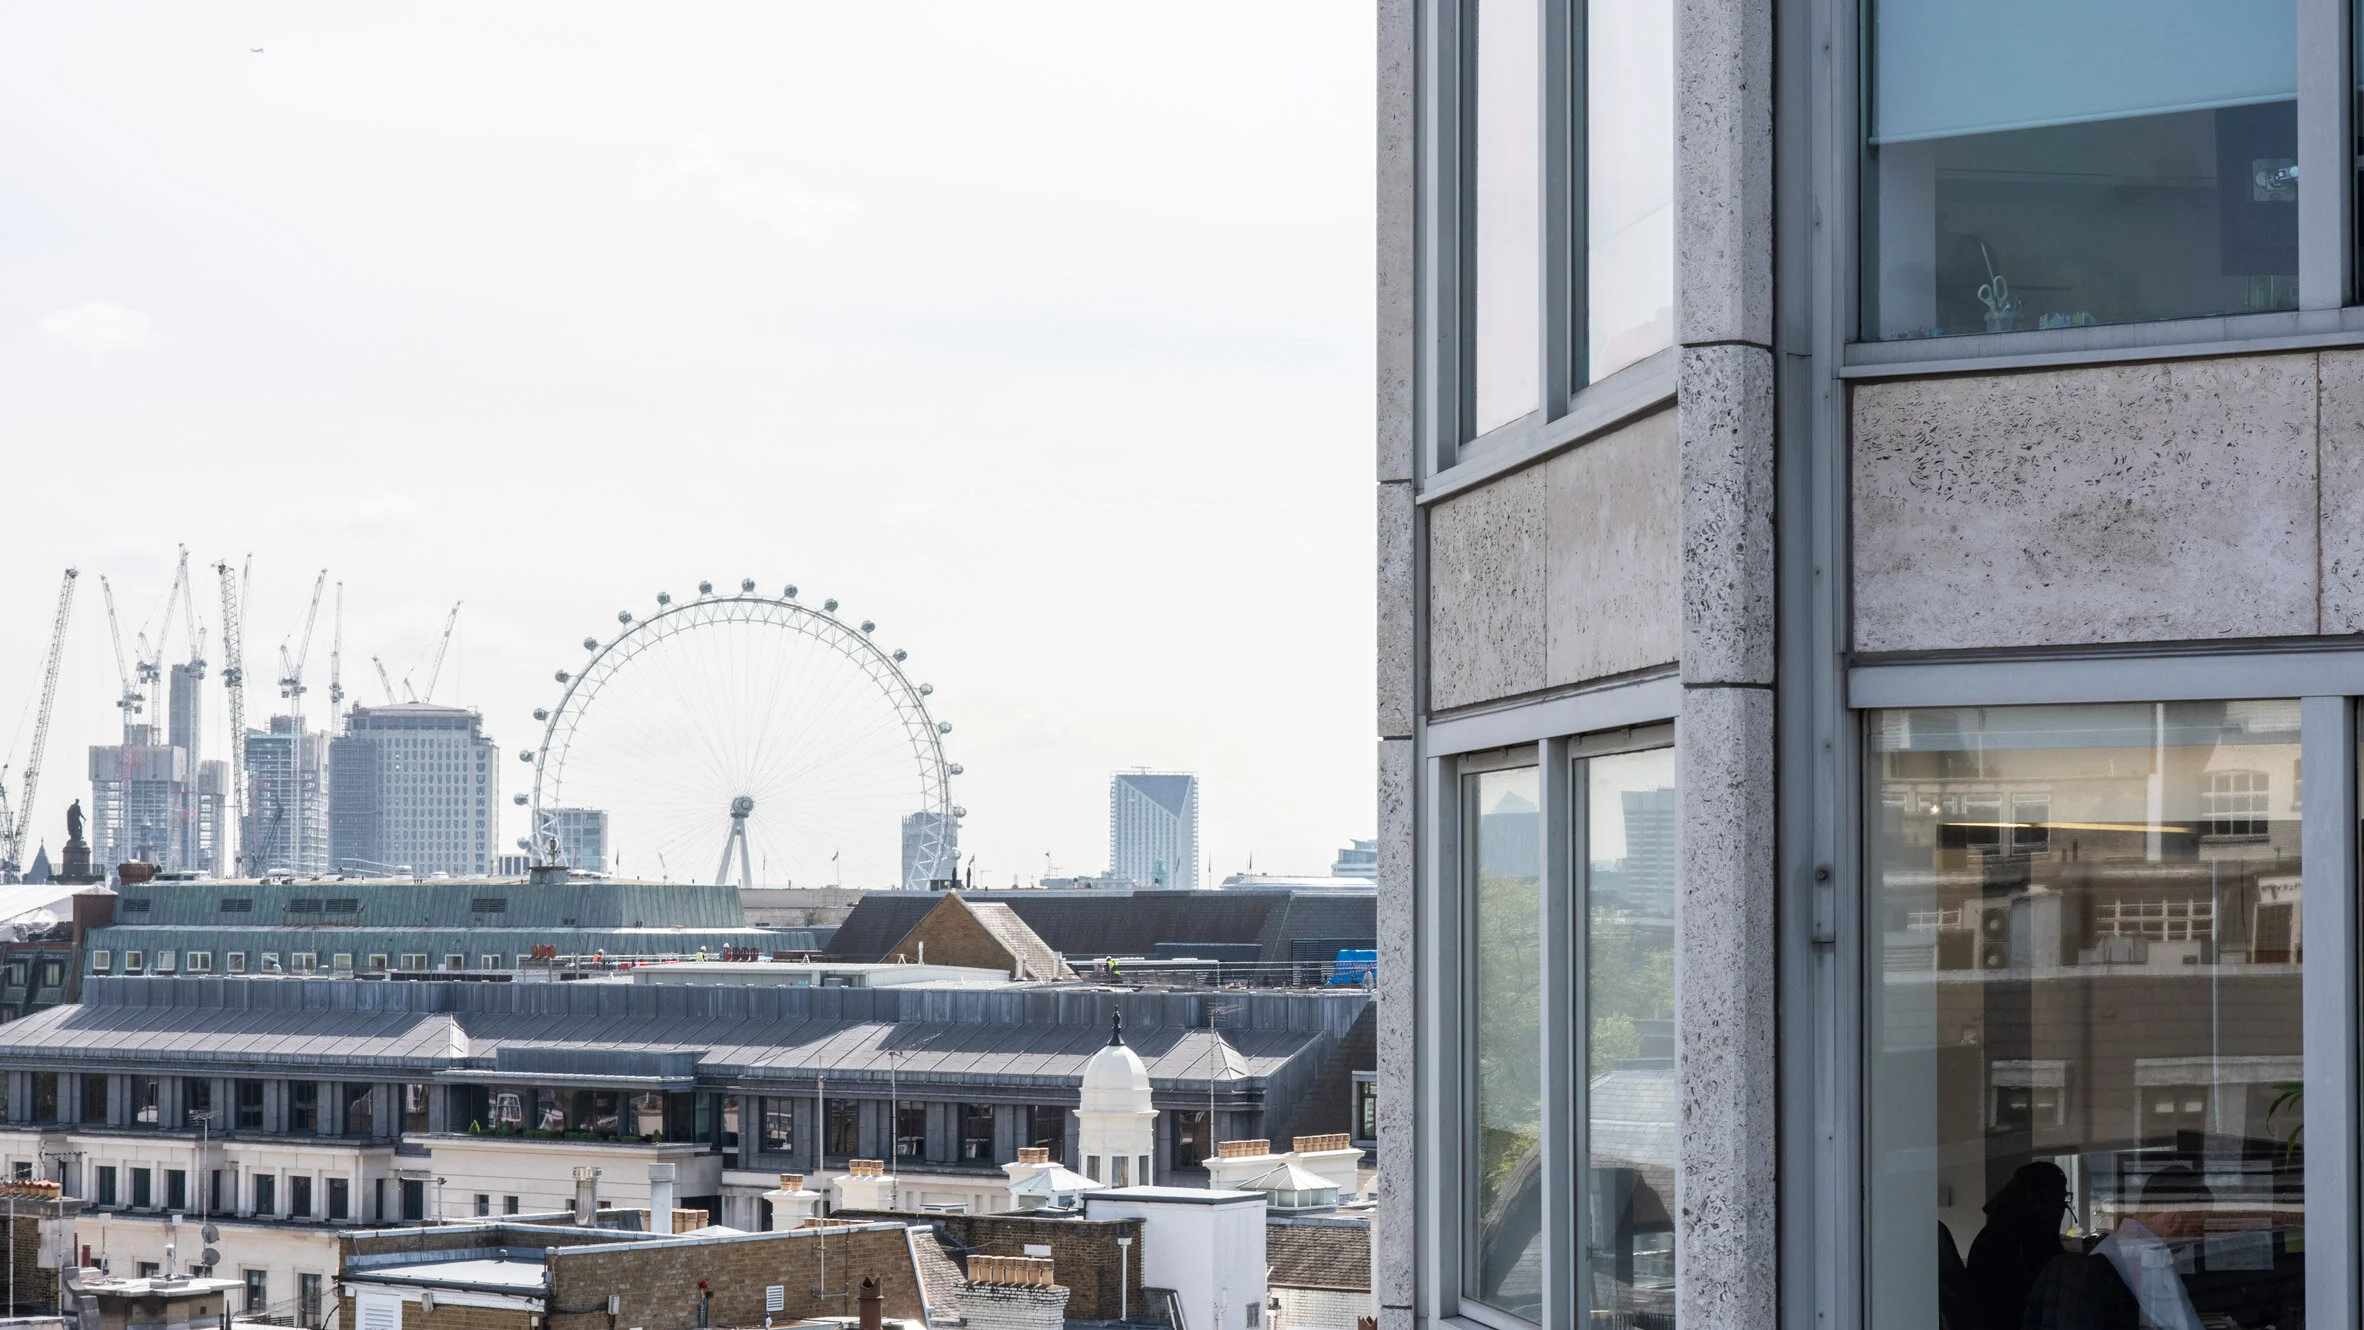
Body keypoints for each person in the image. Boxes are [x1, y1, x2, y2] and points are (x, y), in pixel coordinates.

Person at [2090, 1166, 2210, 1330]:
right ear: (2173, 1220)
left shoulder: (2108, 1246)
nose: (2200, 1238)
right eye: (2196, 1229)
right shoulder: (2151, 1261)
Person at [1964, 1162, 2071, 1330]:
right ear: (2044, 1201)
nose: (2063, 1208)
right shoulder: (2024, 1241)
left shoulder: (1996, 1230)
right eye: (2061, 1199)